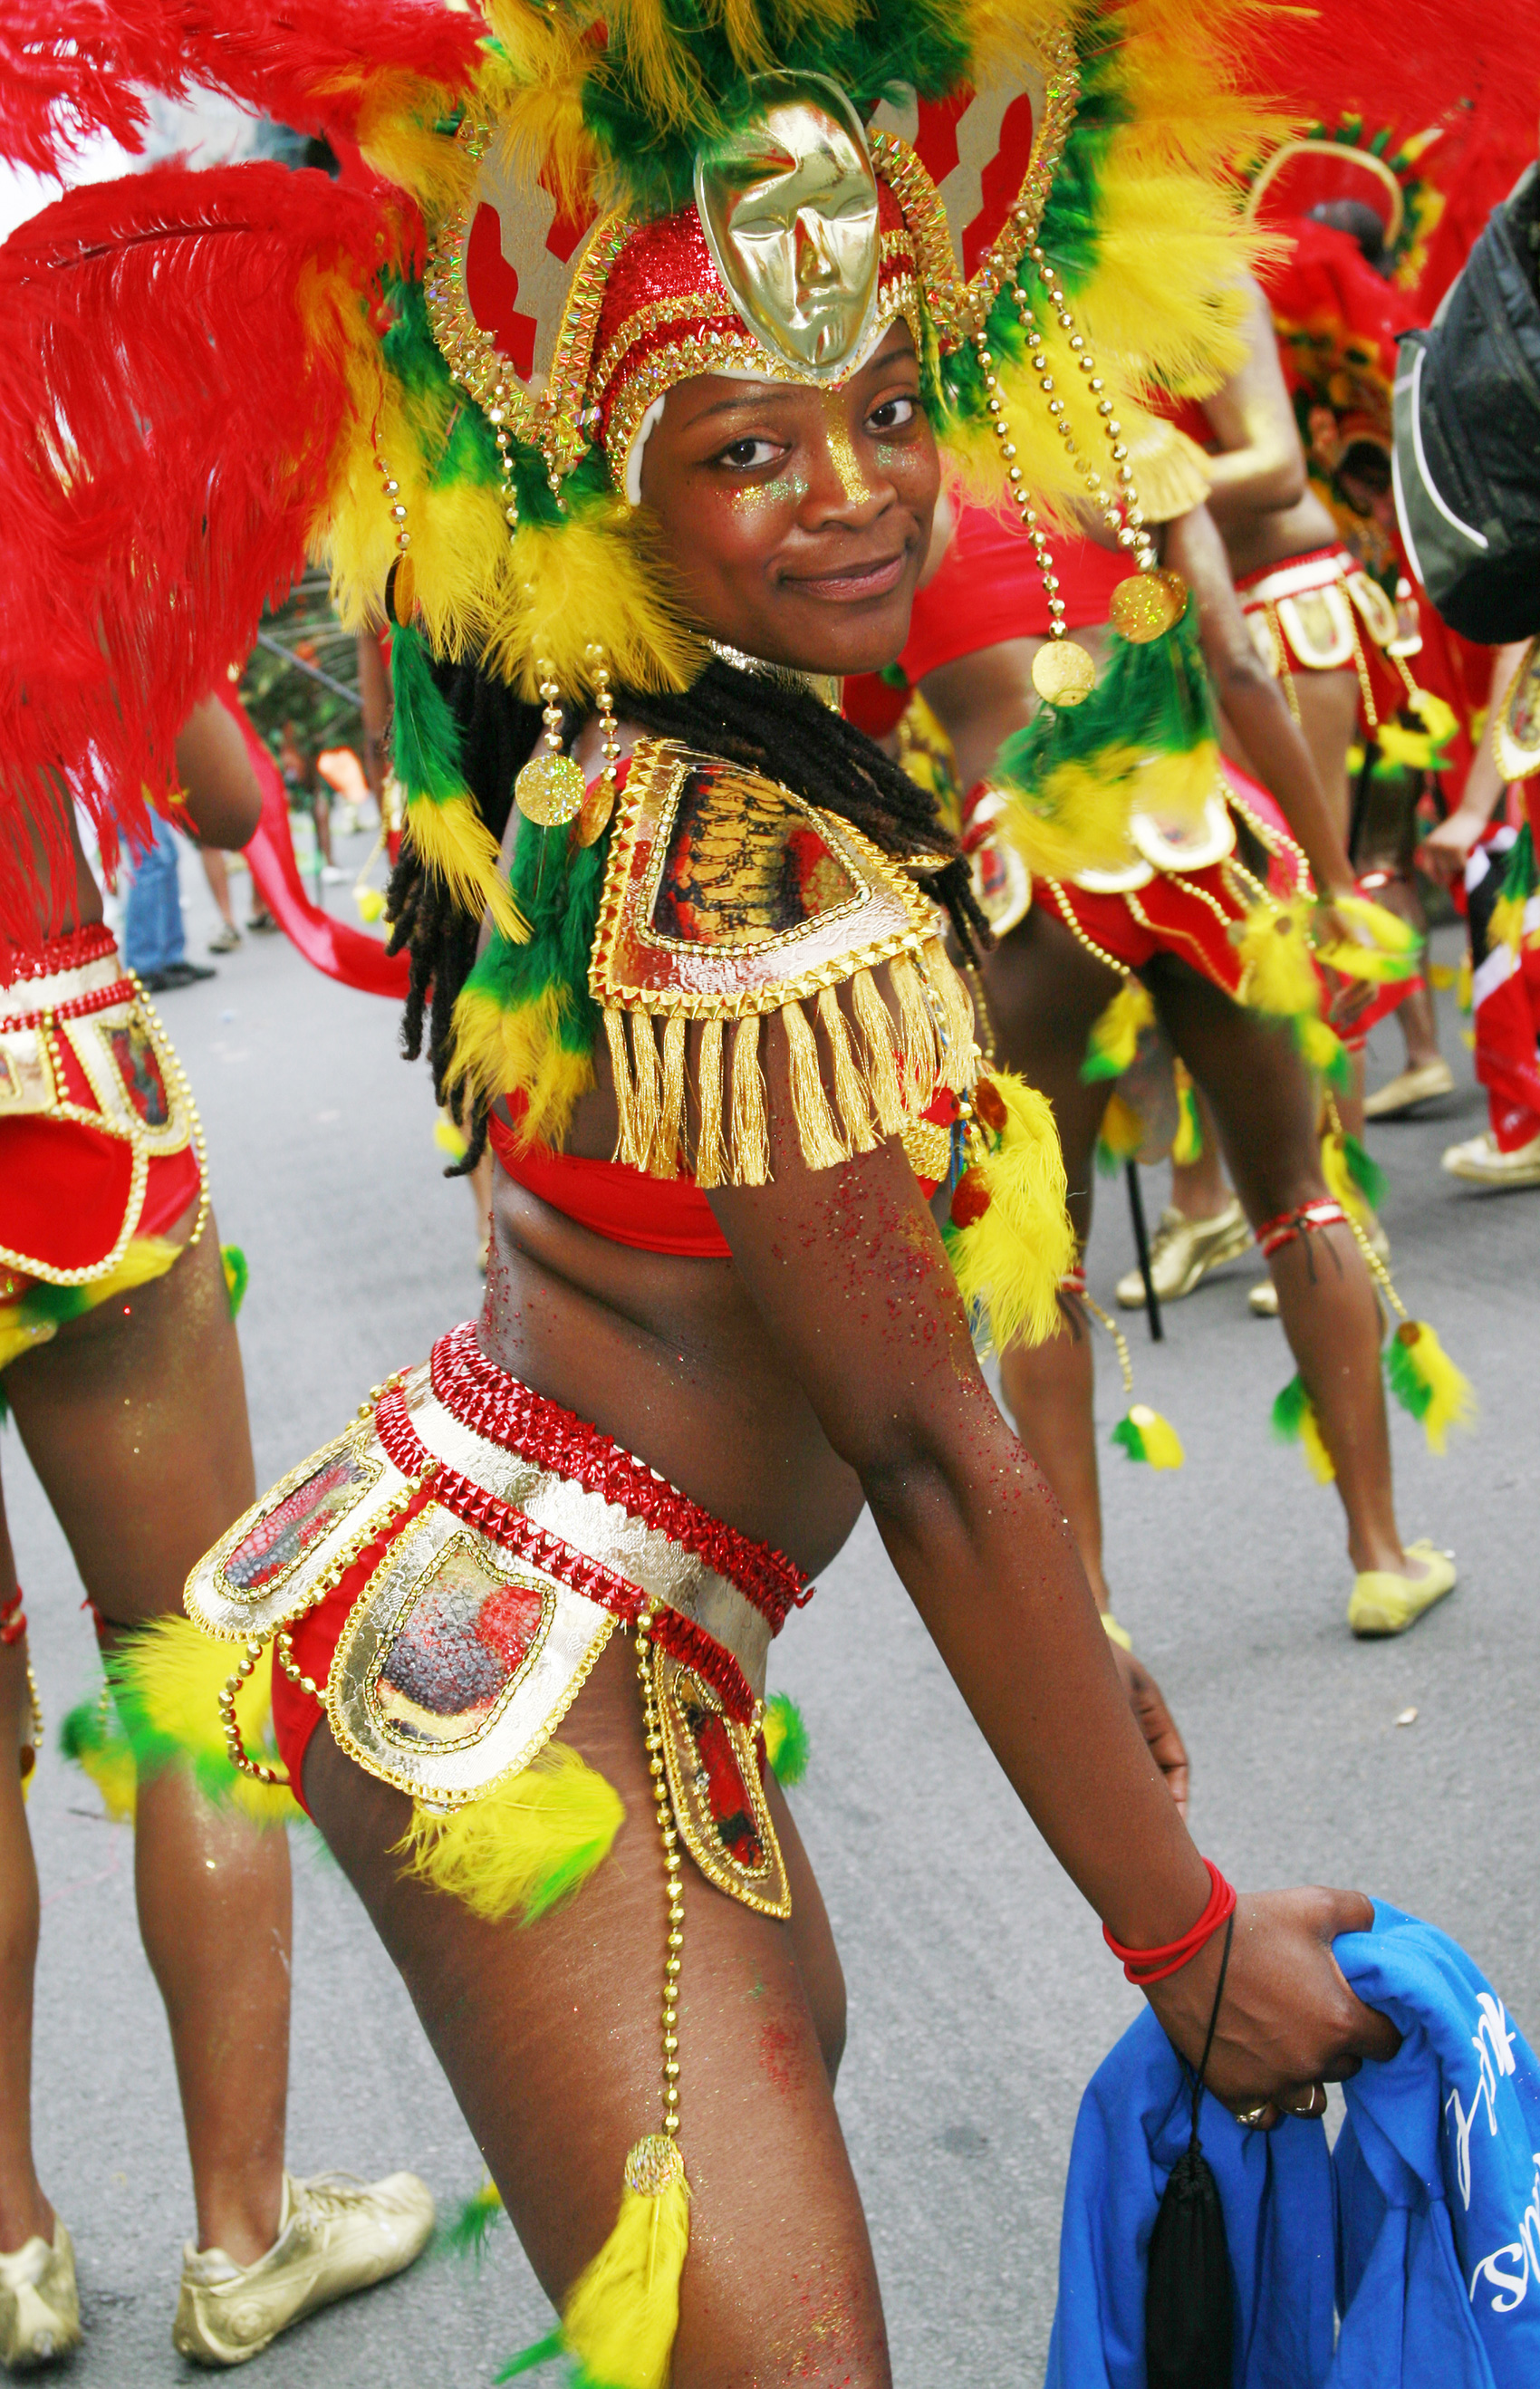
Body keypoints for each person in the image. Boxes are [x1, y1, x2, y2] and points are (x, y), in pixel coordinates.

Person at [5, 8, 1410, 2380]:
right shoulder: (736, 870)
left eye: (880, 407)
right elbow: (924, 1444)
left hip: (583, 1609)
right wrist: (1178, 1941)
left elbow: (862, 1361)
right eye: (745, 443)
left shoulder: (669, 756)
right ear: (594, 493)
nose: (855, 487)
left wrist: (1080, 1657)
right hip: (543, 1681)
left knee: (761, 2244)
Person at [0, 694, 433, 2368]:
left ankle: (14, 2247)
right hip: (52, 1074)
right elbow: (236, 803)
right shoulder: (47, 453)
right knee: (189, 1666)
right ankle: (245, 2234)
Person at [917, 483, 1460, 1642]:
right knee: (1296, 1198)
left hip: (1031, 867)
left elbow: (865, 737)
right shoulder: (1134, 455)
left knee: (1039, 1255)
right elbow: (1241, 669)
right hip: (1200, 836)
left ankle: (1087, 1611)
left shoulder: (889, 502)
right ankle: (1377, 1554)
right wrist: (1329, 883)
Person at [120, 806, 215, 993]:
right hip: (118, 782)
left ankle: (171, 958)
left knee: (167, 856)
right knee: (151, 859)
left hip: (139, 781)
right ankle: (143, 965)